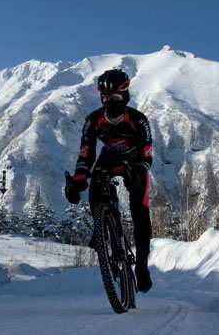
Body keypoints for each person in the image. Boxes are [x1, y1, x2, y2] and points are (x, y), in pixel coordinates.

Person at [65, 69, 153, 293]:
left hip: (134, 162)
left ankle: (142, 267)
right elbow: (86, 154)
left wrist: (139, 173)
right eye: (106, 99)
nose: (111, 102)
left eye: (116, 98)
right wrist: (77, 180)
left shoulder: (139, 120)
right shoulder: (93, 121)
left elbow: (147, 156)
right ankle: (101, 226)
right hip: (109, 157)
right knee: (94, 182)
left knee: (140, 213)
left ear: (126, 97)